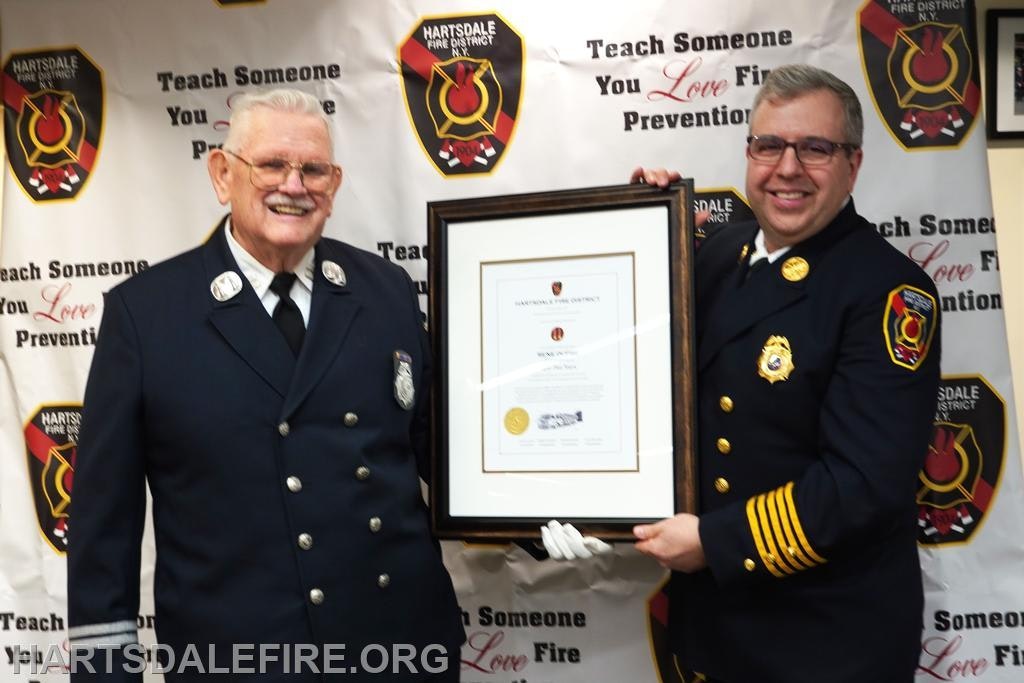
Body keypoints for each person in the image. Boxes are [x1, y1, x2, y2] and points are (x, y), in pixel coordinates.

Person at [545, 64, 941, 683]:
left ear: (853, 165)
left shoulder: (888, 291)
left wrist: (717, 543)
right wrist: (644, 223)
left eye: (815, 148)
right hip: (715, 630)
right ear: (749, 153)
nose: (787, 168)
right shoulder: (714, 256)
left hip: (828, 640)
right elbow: (625, 354)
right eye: (769, 145)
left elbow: (864, 484)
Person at [67, 89, 464, 681]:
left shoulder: (385, 290)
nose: (294, 185)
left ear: (335, 183)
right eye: (273, 165)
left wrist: (547, 511)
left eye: (313, 169)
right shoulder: (146, 317)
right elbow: (104, 527)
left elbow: (444, 450)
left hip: (401, 652)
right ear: (223, 175)